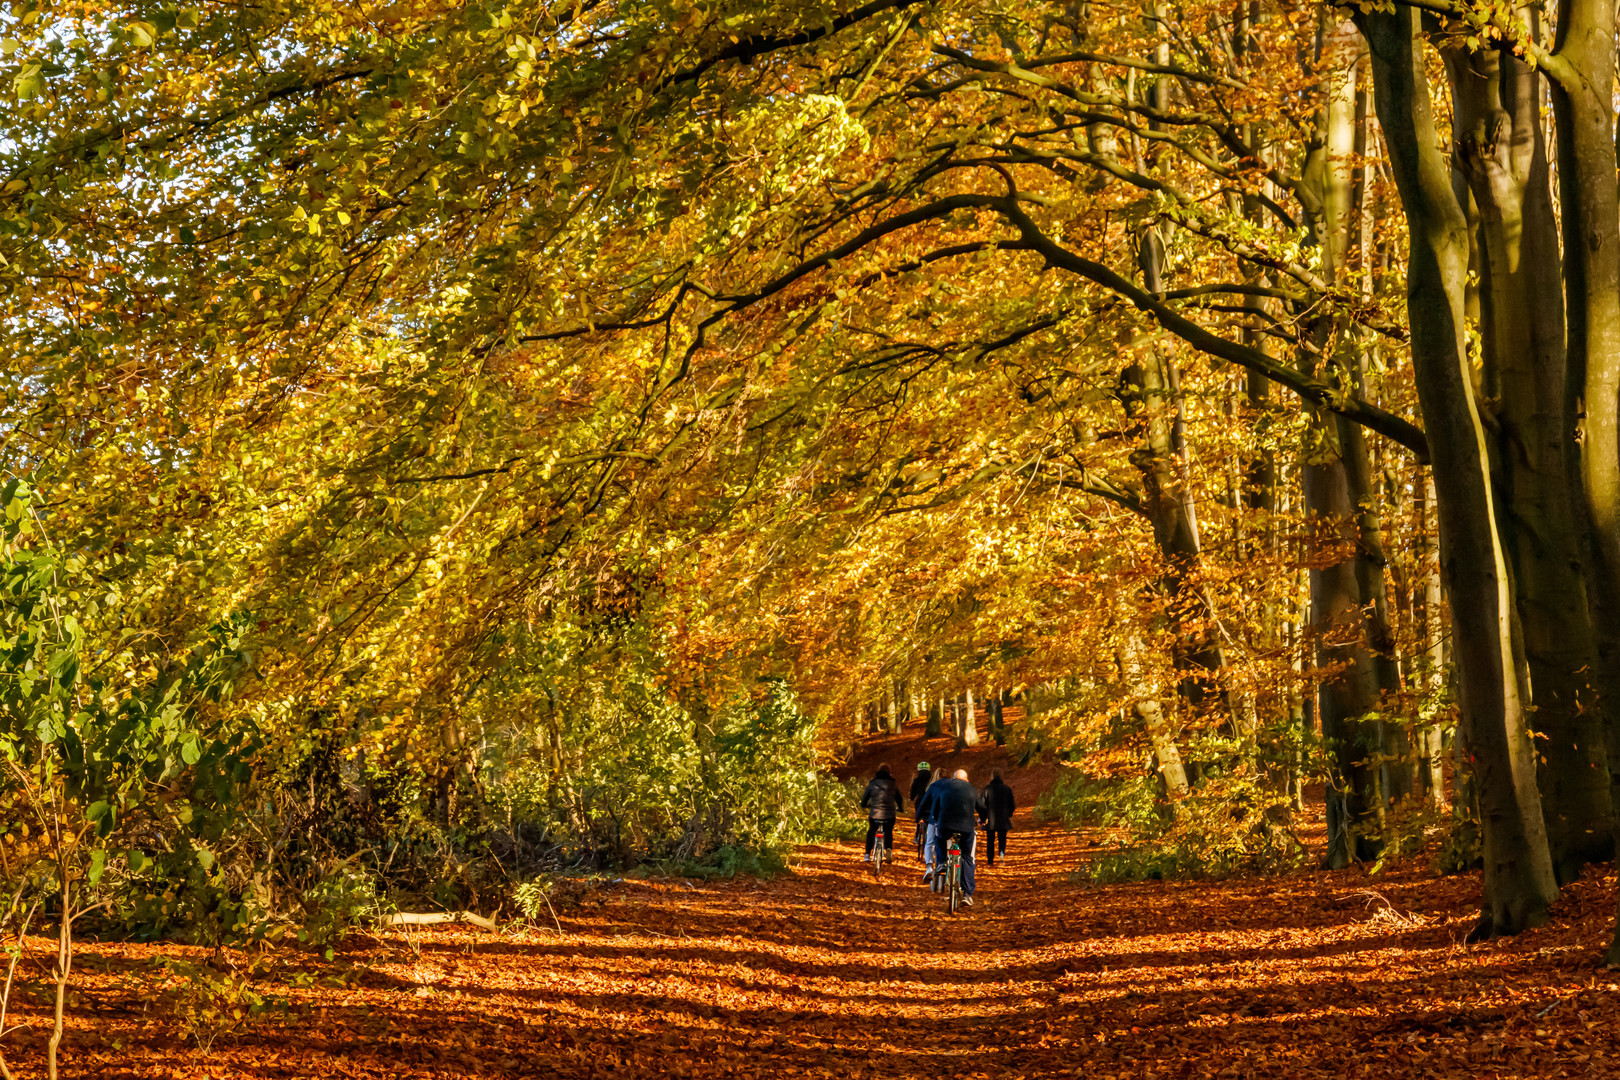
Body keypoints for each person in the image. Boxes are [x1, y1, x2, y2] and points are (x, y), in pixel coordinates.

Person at [918, 767, 978, 904]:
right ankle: (967, 894)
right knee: (967, 857)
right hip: (966, 828)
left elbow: (936, 807)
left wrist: (935, 818)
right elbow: (981, 807)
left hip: (945, 825)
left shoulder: (944, 788)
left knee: (939, 840)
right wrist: (983, 819)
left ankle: (942, 863)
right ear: (966, 779)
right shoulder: (971, 789)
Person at [859, 763, 903, 862]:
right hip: (889, 814)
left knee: (871, 831)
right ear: (889, 772)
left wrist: (864, 805)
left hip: (875, 813)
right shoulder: (892, 784)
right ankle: (888, 849)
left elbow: (866, 796)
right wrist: (900, 808)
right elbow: (899, 798)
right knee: (888, 832)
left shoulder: (873, 783)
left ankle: (867, 854)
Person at [978, 769, 1016, 867]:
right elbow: (1012, 805)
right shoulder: (1007, 789)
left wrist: (983, 818)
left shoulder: (986, 789)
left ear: (991, 777)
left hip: (989, 820)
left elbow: (981, 805)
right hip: (1003, 818)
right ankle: (1001, 854)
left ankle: (990, 860)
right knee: (1002, 839)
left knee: (990, 840)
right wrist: (1009, 814)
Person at [909, 761, 933, 860]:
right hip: (930, 802)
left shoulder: (916, 780)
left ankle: (917, 836)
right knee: (930, 819)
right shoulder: (932, 780)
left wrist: (912, 798)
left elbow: (913, 793)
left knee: (919, 818)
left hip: (920, 803)